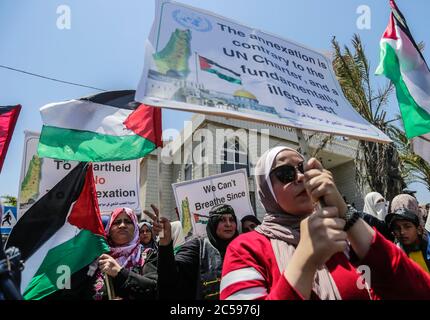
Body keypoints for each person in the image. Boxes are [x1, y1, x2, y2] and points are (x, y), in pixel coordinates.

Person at [220, 146, 430, 300]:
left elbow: (415, 290)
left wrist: (344, 212)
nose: (301, 176)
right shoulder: (245, 249)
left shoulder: (343, 237)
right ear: (265, 191)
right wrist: (305, 259)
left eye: (303, 168)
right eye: (285, 173)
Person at [147, 204, 239, 300]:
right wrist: (165, 243)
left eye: (231, 220)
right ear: (213, 223)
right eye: (222, 220)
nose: (228, 224)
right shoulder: (198, 247)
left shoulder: (243, 248)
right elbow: (170, 275)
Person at [91, 208, 158, 300]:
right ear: (108, 229)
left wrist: (120, 273)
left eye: (128, 221)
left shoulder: (147, 255)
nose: (122, 225)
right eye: (117, 222)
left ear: (135, 227)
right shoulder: (97, 258)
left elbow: (155, 290)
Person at [385, 195, 430, 273]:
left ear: (419, 229)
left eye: (407, 226)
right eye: (397, 228)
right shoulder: (394, 256)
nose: (402, 232)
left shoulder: (427, 247)